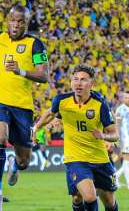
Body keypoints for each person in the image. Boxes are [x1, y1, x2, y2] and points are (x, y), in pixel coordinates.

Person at [0, 0, 49, 210]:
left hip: (23, 107)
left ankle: (13, 164)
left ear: (27, 23)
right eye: (13, 21)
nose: (16, 25)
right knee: (0, 136)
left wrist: (21, 71)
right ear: (8, 21)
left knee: (24, 161)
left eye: (21, 22)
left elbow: (44, 75)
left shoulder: (35, 44)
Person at [33, 65, 119, 211]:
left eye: (83, 80)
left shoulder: (100, 104)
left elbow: (115, 134)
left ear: (91, 84)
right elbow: (49, 114)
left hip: (100, 159)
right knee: (89, 196)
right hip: (76, 159)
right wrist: (35, 128)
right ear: (71, 82)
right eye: (75, 79)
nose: (78, 83)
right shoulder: (62, 101)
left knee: (109, 203)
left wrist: (103, 136)